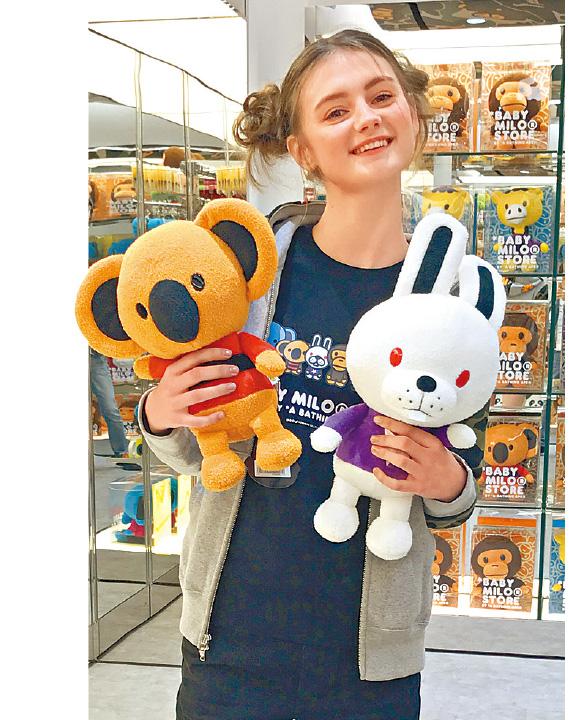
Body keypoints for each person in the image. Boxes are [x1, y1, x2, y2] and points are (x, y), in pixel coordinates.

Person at [135, 29, 485, 720]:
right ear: (302, 151)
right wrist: (160, 413)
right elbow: (192, 448)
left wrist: (446, 481)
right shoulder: (249, 277)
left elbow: (461, 478)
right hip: (230, 634)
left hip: (368, 652)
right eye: (336, 110)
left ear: (413, 115)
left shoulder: (452, 298)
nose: (366, 118)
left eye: (382, 97)